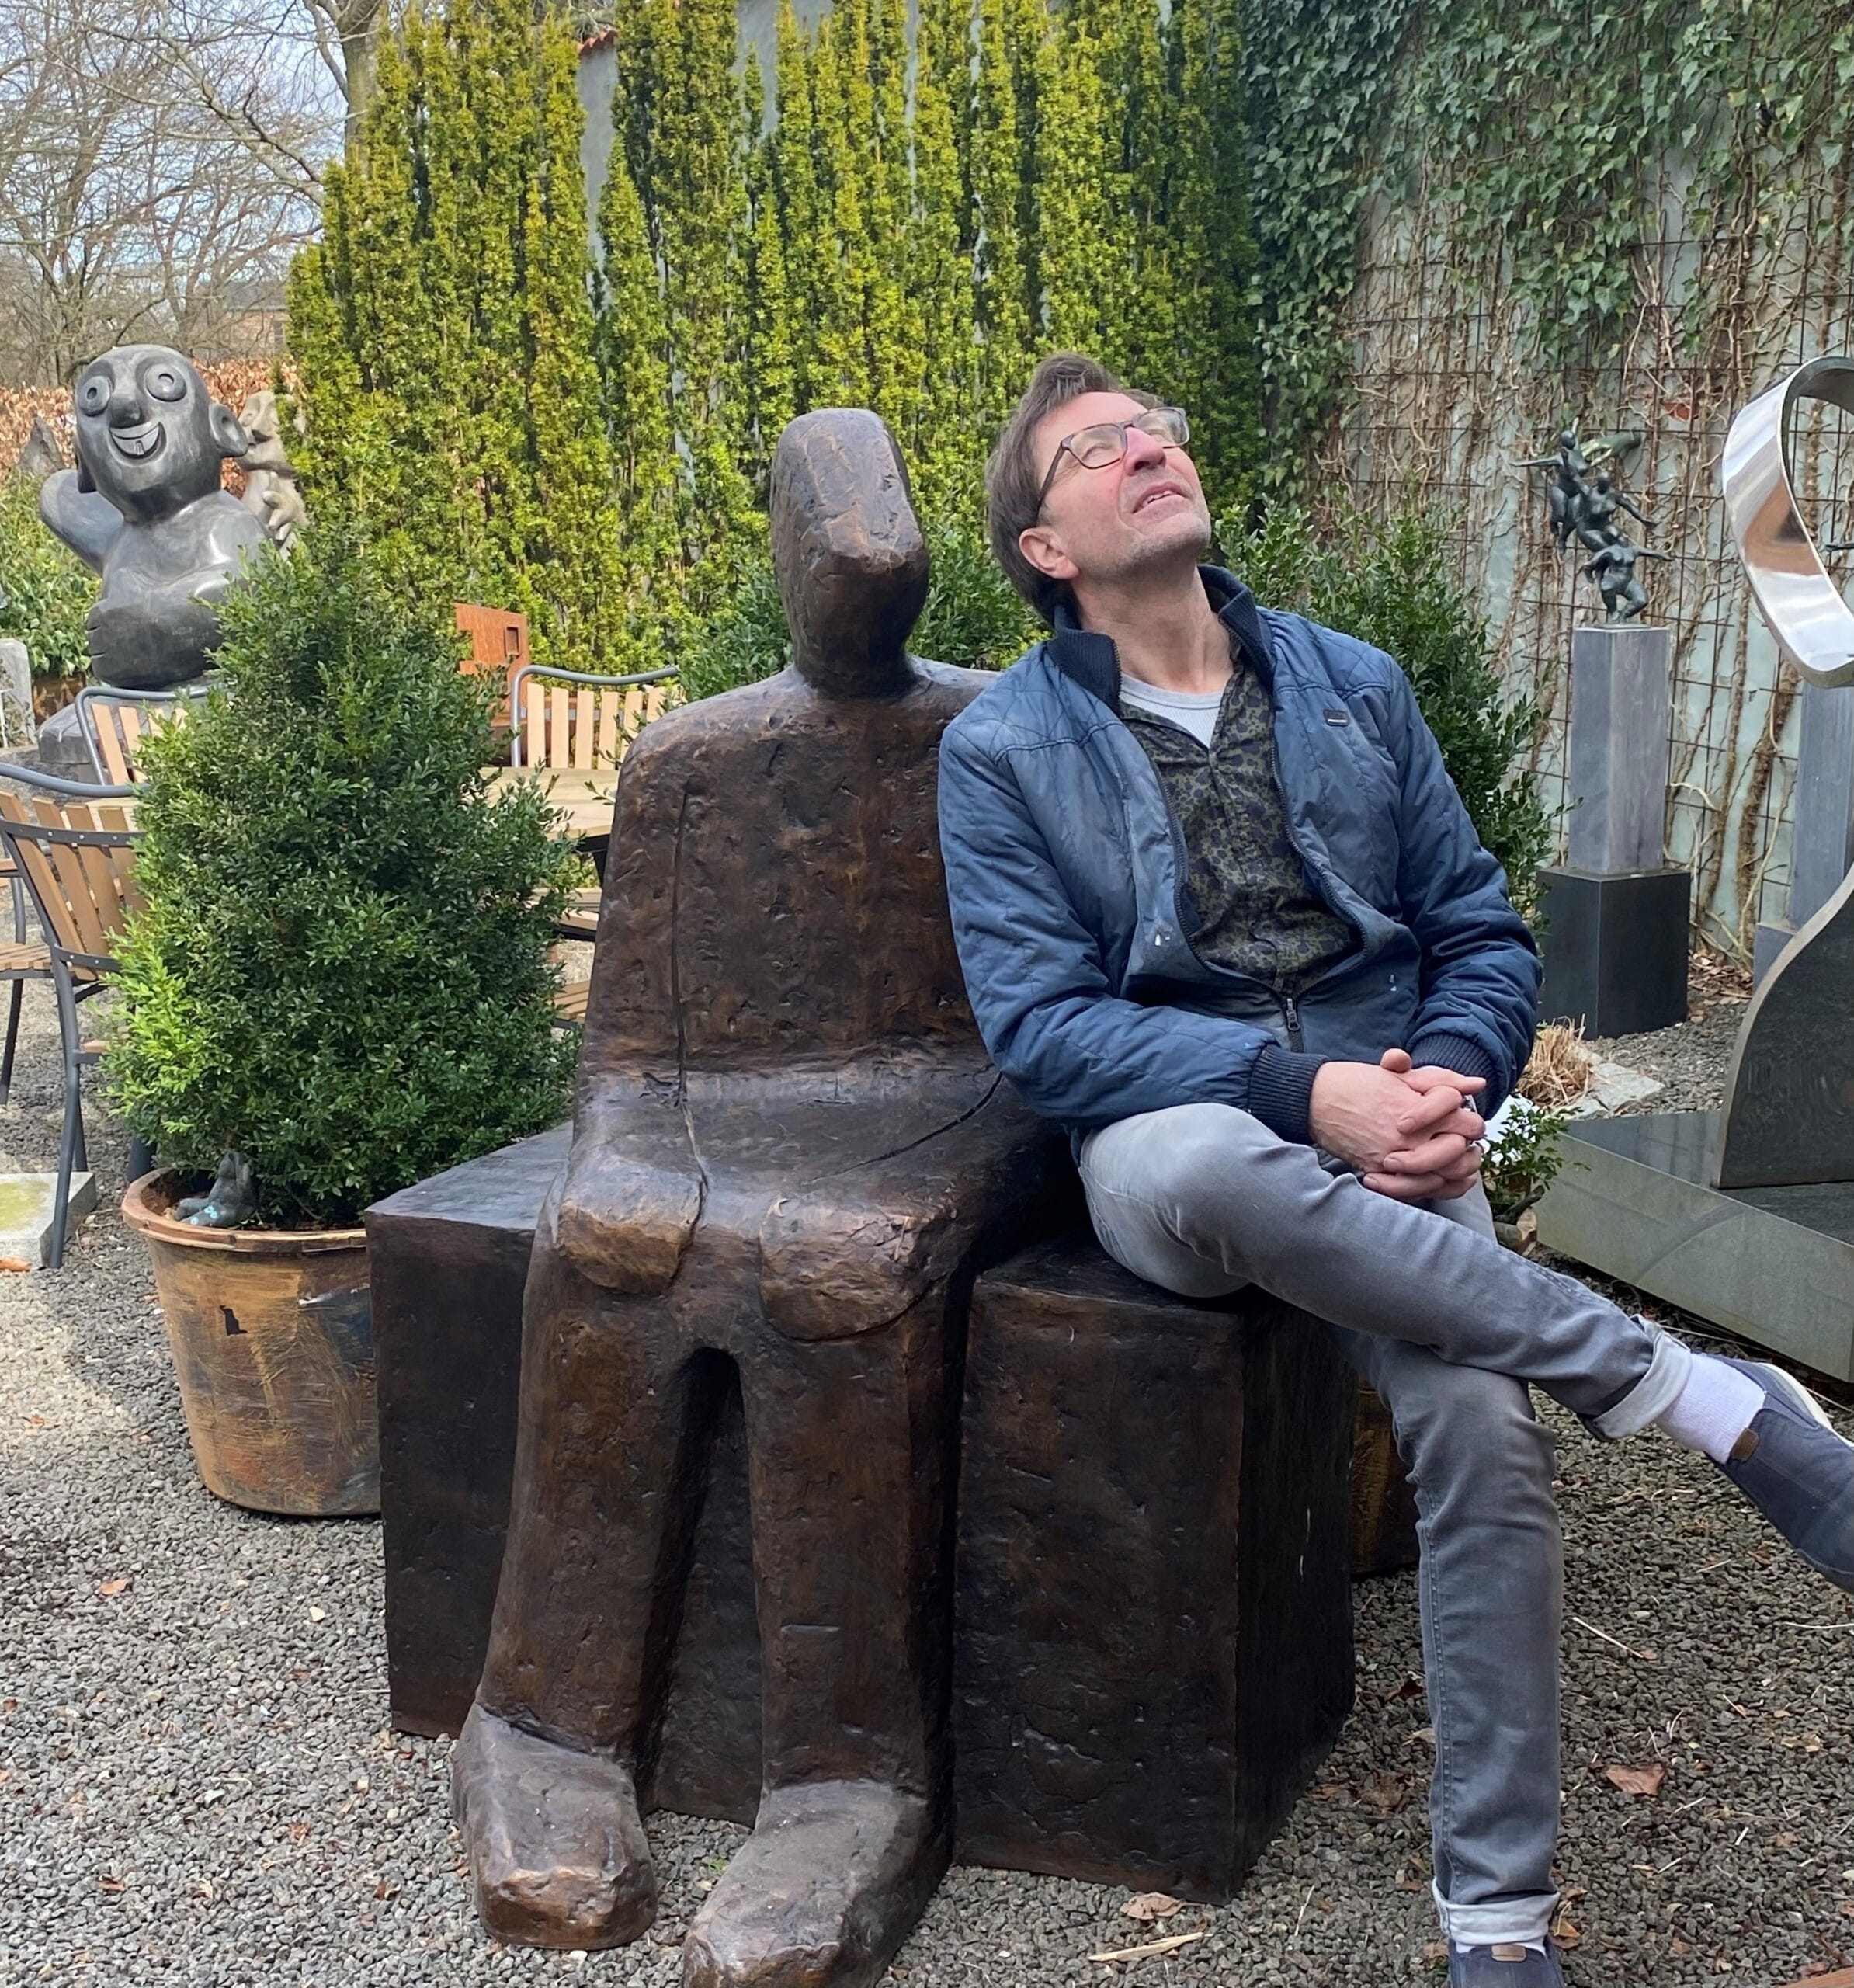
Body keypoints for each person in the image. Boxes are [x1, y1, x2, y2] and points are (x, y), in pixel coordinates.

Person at [936, 351, 1854, 1988]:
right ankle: (1689, 1393)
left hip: (1405, 1121)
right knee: (1216, 1163)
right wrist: (1306, 1095)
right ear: (1046, 547)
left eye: (1158, 424)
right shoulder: (1003, 747)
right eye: (1097, 446)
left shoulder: (1353, 682)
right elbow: (1047, 1032)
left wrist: (1451, 1076)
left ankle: (1496, 1918)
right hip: (1186, 1139)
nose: (1149, 446)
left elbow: (1479, 931)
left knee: (1482, 1430)